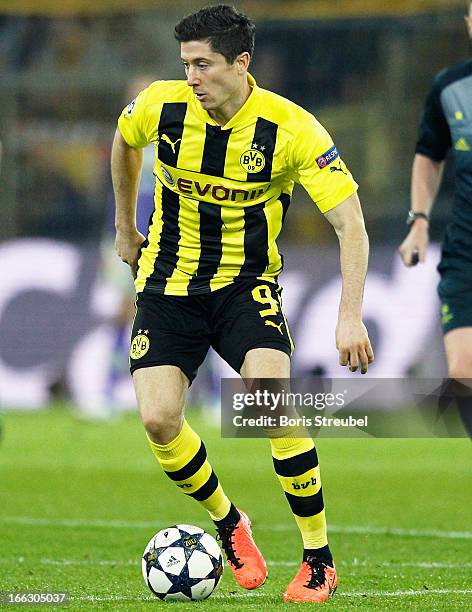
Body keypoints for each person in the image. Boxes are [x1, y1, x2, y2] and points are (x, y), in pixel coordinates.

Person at [111, 5, 373, 603]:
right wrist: (126, 227)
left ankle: (317, 557)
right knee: (157, 420)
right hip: (167, 282)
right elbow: (123, 140)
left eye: (203, 64)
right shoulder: (163, 104)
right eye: (186, 64)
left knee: (269, 399)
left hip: (244, 284)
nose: (192, 77)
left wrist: (349, 313)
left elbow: (350, 224)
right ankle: (230, 521)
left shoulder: (293, 129)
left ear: (241, 63)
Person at [399, 0, 472, 437]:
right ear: (468, 24)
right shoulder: (450, 87)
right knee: (462, 372)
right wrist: (419, 222)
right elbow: (428, 155)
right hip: (466, 249)